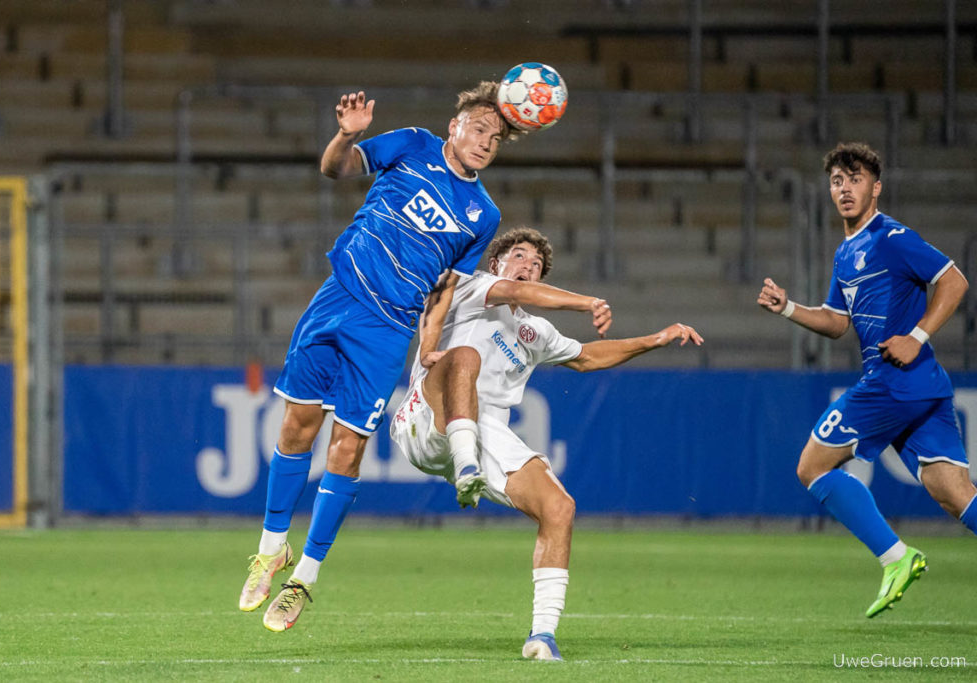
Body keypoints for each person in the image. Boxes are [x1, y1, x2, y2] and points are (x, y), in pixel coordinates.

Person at [239, 83, 516, 632]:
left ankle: (305, 579)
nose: (486, 142)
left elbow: (443, 289)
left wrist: (427, 346)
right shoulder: (412, 144)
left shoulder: (484, 215)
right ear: (454, 125)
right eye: (479, 129)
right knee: (296, 426)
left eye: (498, 137)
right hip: (338, 296)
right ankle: (272, 550)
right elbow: (335, 170)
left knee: (346, 448)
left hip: (389, 329)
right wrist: (346, 136)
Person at [390, 227, 704, 660]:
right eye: (518, 257)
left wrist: (655, 339)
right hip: (427, 417)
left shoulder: (534, 332)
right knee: (465, 358)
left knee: (559, 508)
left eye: (536, 266)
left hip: (487, 433)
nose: (527, 267)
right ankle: (466, 467)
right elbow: (521, 293)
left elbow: (588, 357)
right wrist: (587, 301)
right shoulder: (472, 286)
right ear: (497, 263)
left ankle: (542, 636)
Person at [758, 142, 977, 618]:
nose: (844, 189)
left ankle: (897, 558)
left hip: (892, 383)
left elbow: (954, 279)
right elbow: (838, 322)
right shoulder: (845, 253)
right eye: (837, 181)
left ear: (875, 188)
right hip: (922, 386)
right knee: (955, 493)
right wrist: (789, 307)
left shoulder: (891, 237)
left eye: (854, 179)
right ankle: (898, 557)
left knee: (812, 467)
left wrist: (916, 336)